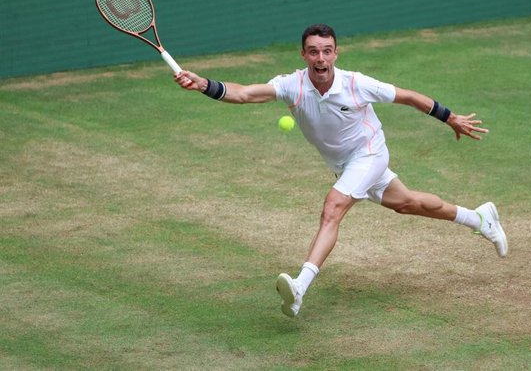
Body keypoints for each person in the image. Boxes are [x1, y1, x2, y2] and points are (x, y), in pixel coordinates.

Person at [174, 23, 508, 318]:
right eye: (314, 52)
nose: (321, 58)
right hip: (344, 163)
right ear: (303, 55)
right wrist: (203, 83)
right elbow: (245, 94)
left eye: (327, 51)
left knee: (332, 207)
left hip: (370, 153)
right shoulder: (292, 85)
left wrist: (450, 118)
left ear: (336, 54)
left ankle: (300, 286)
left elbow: (407, 97)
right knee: (408, 203)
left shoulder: (356, 84)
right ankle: (479, 218)